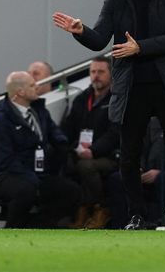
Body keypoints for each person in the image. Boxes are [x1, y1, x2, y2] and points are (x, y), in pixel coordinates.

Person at [52, 0, 165, 230]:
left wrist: (139, 48)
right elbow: (99, 40)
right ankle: (136, 215)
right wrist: (80, 31)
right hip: (133, 87)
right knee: (129, 155)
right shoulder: (115, 1)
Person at [0, 71, 80, 228]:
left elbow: (54, 133)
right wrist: (31, 176)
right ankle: (11, 230)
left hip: (35, 172)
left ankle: (40, 226)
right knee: (25, 190)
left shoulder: (39, 111)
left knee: (71, 191)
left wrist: (63, 146)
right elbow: (4, 157)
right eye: (32, 85)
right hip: (2, 173)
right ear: (20, 91)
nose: (37, 87)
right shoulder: (0, 118)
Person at [61, 56, 119, 229]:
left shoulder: (116, 100)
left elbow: (115, 133)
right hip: (82, 153)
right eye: (93, 72)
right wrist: (71, 148)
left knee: (86, 166)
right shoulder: (81, 99)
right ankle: (78, 209)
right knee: (65, 162)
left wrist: (93, 150)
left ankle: (100, 208)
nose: (96, 76)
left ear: (111, 74)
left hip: (110, 155)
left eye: (101, 72)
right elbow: (67, 128)